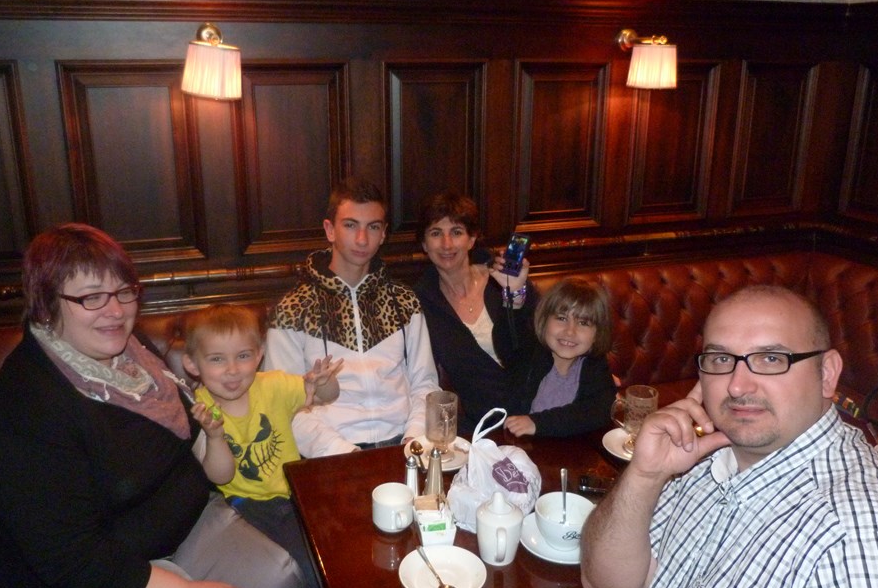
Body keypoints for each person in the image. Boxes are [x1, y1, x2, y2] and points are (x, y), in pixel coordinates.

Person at [0, 223, 305, 588]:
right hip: (102, 587)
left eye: (123, 291)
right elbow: (71, 560)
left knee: (280, 580)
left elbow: (187, 441)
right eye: (91, 297)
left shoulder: (132, 352)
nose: (115, 311)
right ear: (47, 304)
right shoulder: (24, 411)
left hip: (186, 525)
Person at [580, 285, 878, 588]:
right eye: (721, 358)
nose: (737, 385)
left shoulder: (869, 540)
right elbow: (610, 584)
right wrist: (645, 474)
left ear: (827, 373)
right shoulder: (710, 458)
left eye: (771, 358)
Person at [182, 304, 345, 588]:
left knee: (337, 551)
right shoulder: (200, 408)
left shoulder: (272, 385)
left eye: (243, 356)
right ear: (193, 364)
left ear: (258, 355)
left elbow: (326, 395)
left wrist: (321, 382)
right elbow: (220, 476)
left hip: (293, 491)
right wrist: (215, 436)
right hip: (244, 504)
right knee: (303, 566)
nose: (232, 370)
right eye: (217, 359)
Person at [264, 177, 439, 457]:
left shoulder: (404, 301)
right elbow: (285, 403)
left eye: (373, 227)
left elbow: (425, 383)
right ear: (330, 230)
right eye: (350, 225)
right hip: (331, 453)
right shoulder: (293, 310)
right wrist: (344, 453)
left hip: (405, 443)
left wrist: (413, 440)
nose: (362, 239)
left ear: (383, 234)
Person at [414, 192, 536, 435]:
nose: (447, 244)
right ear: (425, 245)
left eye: (456, 232)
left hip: (538, 405)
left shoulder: (502, 279)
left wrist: (515, 293)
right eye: (436, 233)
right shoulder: (421, 302)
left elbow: (540, 340)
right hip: (483, 424)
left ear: (471, 239)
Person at [503, 276, 618, 437]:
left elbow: (600, 410)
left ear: (597, 334)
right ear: (544, 321)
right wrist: (514, 291)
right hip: (521, 445)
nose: (570, 331)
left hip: (569, 448)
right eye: (562, 318)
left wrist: (538, 423)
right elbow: (508, 335)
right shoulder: (529, 353)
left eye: (583, 323)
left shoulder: (594, 363)